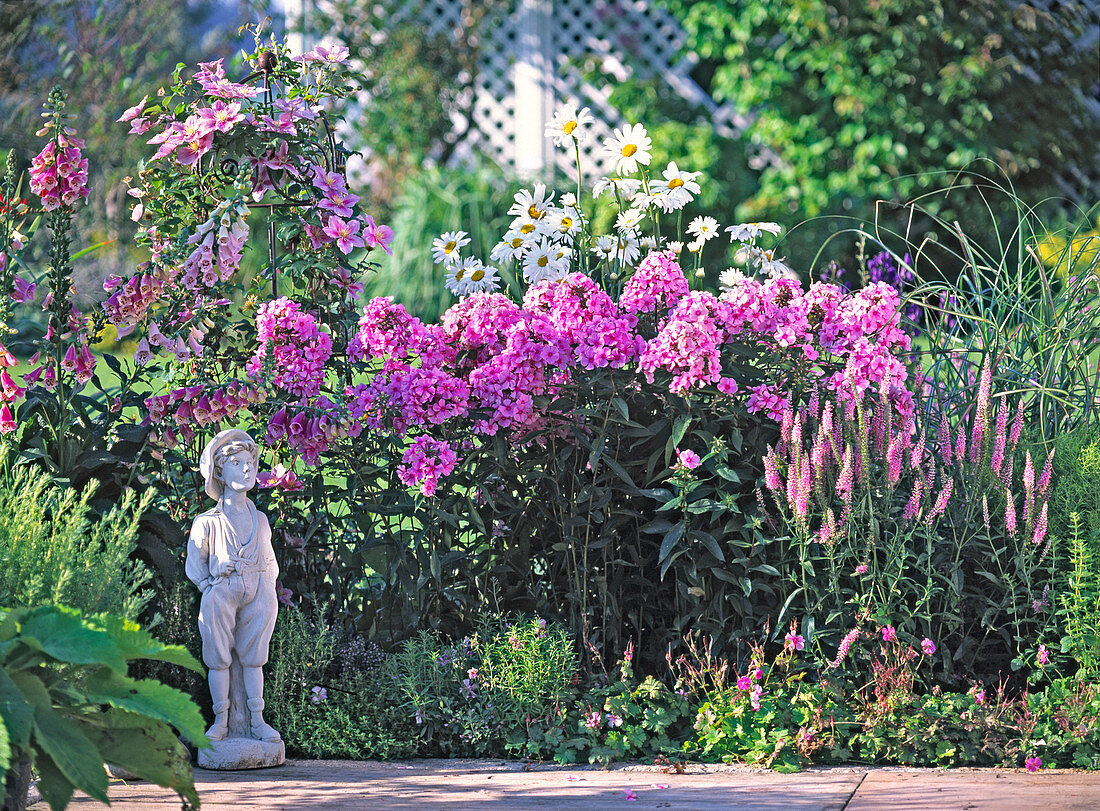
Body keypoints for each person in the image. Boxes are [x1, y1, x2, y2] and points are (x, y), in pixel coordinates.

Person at [186, 429, 280, 743]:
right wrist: (211, 577)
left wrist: (267, 591)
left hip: (257, 591)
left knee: (254, 658)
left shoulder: (261, 520)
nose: (247, 468)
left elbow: (269, 561)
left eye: (250, 462)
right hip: (221, 593)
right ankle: (222, 721)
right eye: (237, 463)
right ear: (220, 472)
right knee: (219, 658)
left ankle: (256, 720)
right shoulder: (208, 522)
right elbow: (195, 563)